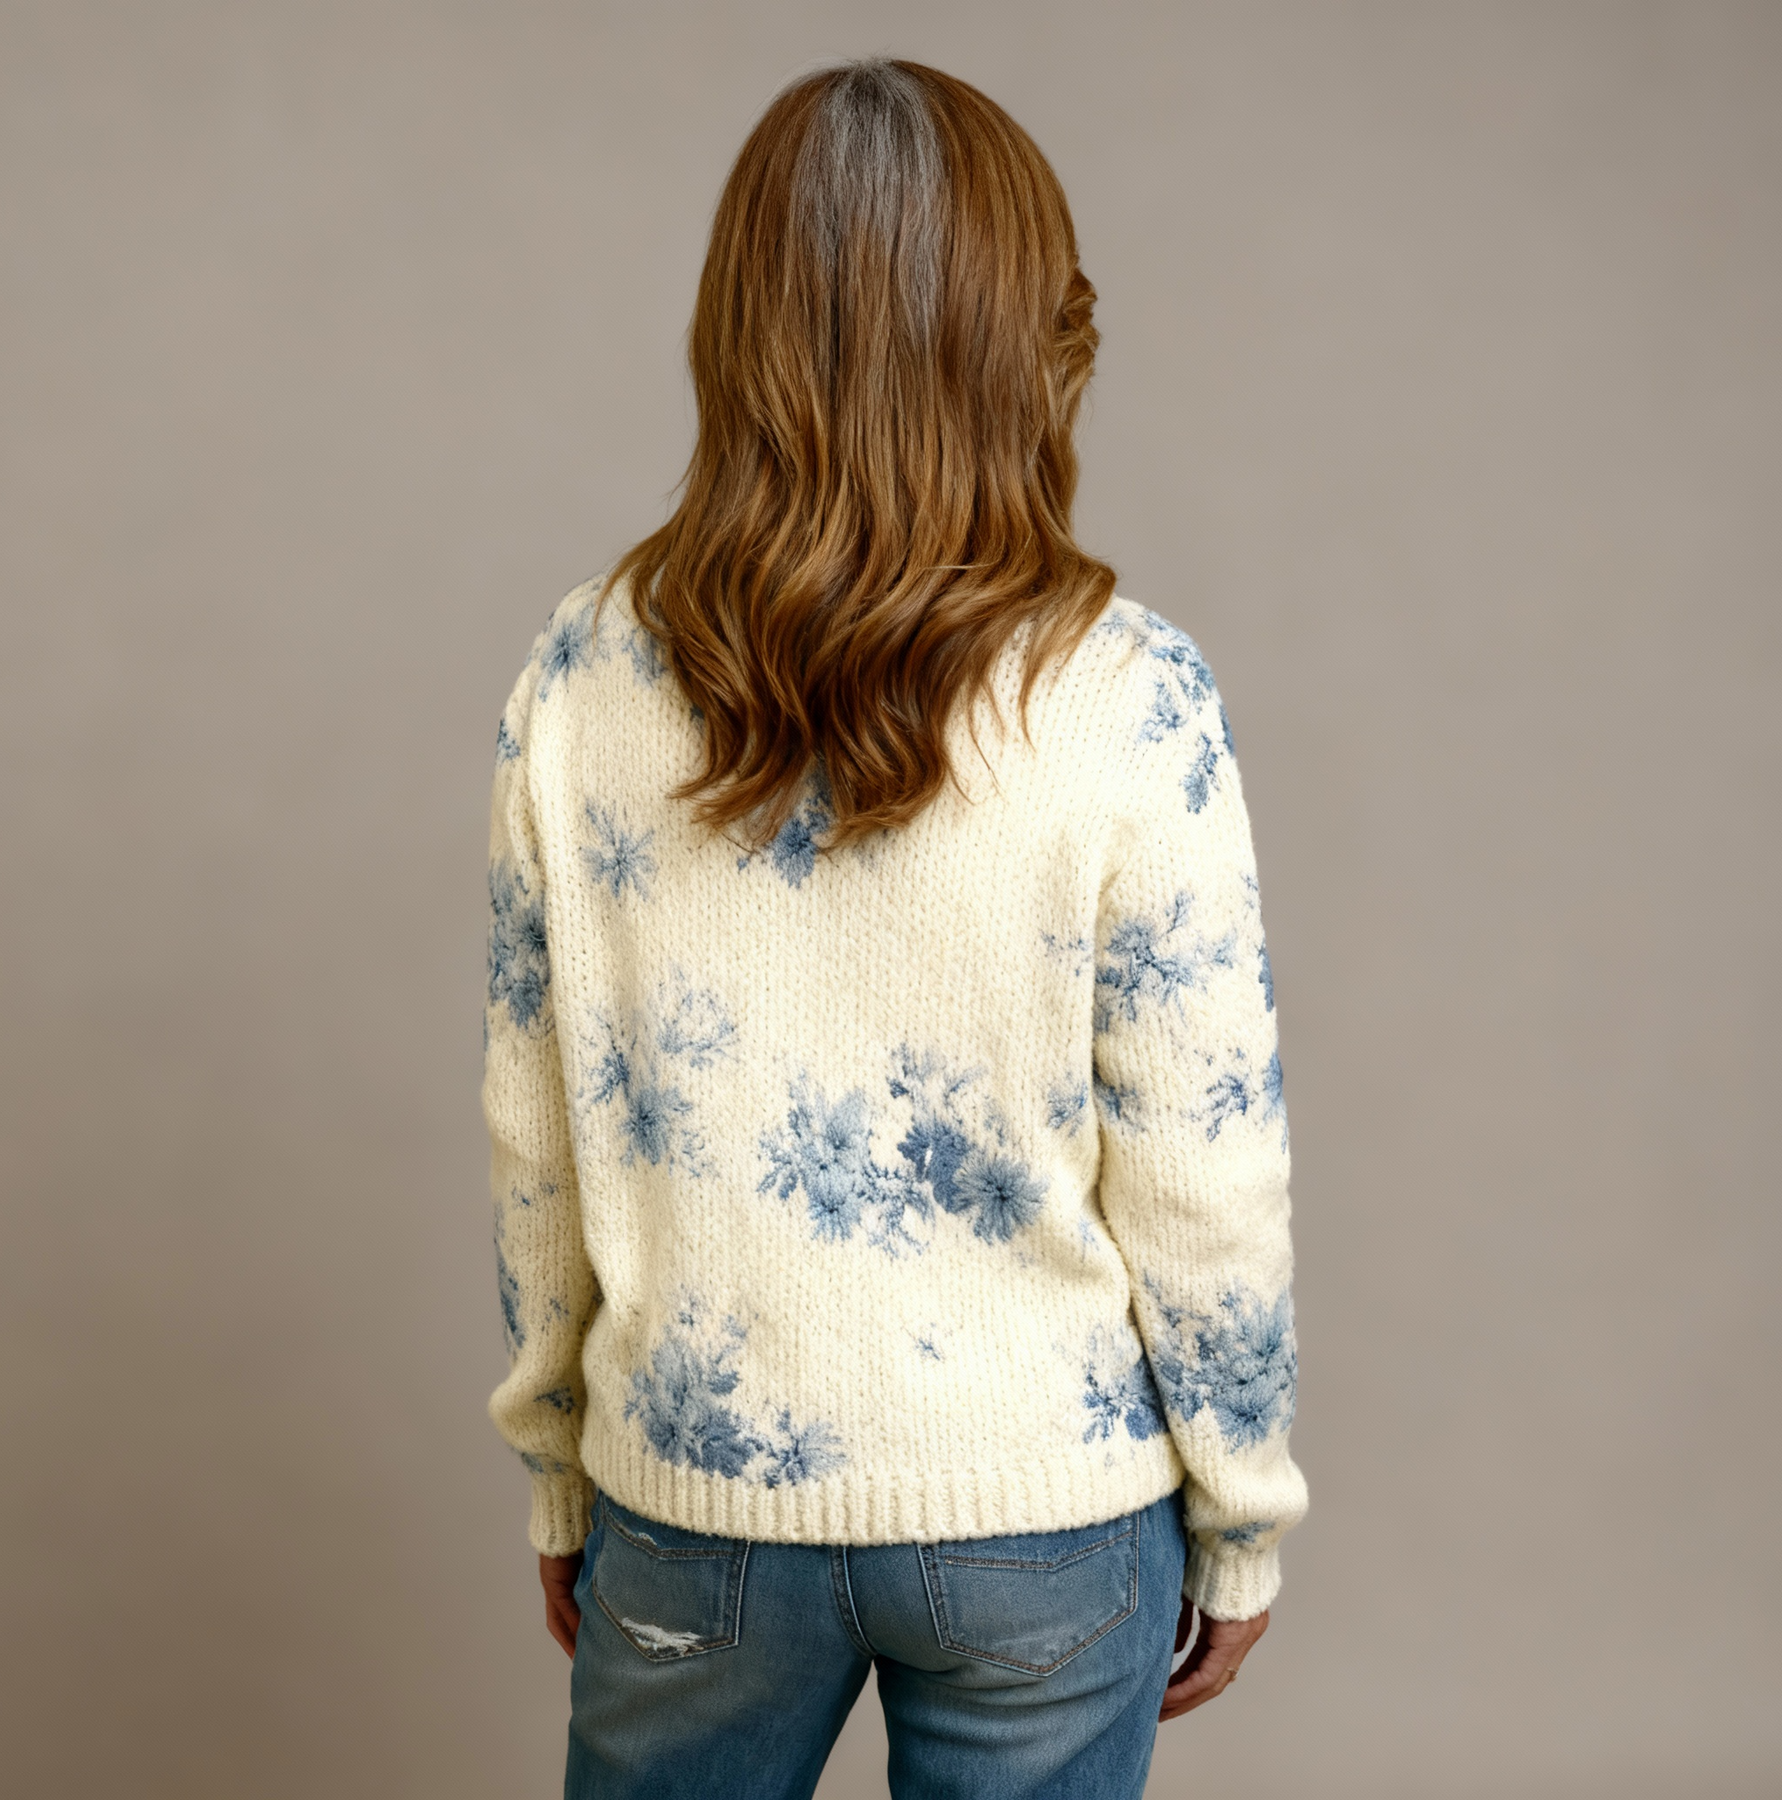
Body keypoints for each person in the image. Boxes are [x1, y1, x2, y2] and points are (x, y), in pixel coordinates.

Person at [482, 56, 1308, 1800]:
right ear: (1027, 334)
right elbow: (1204, 1160)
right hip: (1044, 1518)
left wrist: (562, 1467)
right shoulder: (1129, 697)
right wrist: (1242, 1513)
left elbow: (539, 1133)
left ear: (736, 327)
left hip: (694, 1499)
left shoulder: (580, 674)